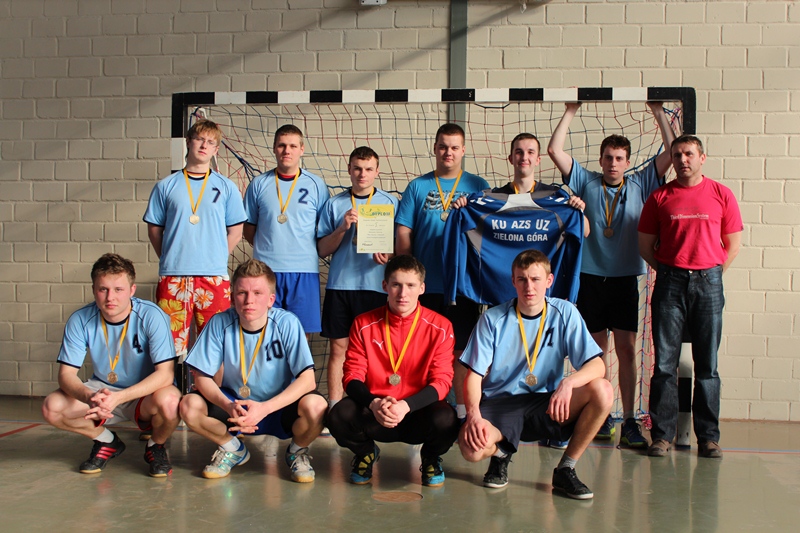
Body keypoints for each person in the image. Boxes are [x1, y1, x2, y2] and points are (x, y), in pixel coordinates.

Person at [548, 101, 676, 446]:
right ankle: (602, 417)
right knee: (596, 353)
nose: (613, 163)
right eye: (608, 157)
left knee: (627, 350)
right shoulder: (586, 181)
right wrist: (570, 110)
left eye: (619, 158)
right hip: (590, 279)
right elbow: (554, 150)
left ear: (628, 162)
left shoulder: (641, 182)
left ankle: (630, 419)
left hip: (623, 280)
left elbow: (671, 152)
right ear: (601, 159)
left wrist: (659, 114)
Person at [459, 250, 612, 499]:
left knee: (603, 390)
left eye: (535, 279)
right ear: (513, 281)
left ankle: (566, 469)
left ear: (549, 280)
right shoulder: (492, 319)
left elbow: (597, 366)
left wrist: (568, 383)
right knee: (471, 449)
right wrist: (473, 416)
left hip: (546, 403)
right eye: (522, 279)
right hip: (502, 402)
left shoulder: (565, 312)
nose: (529, 287)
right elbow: (473, 376)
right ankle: (500, 454)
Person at [638, 134, 742, 459]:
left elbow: (733, 244)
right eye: (677, 155)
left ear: (701, 158)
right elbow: (645, 245)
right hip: (669, 283)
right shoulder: (659, 197)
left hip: (709, 283)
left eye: (689, 154)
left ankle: (708, 438)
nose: (683, 160)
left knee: (707, 366)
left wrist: (709, 273)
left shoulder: (721, 194)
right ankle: (661, 437)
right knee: (664, 365)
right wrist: (673, 271)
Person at [179, 259, 328, 481]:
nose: (249, 300)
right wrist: (228, 406)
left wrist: (265, 408)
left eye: (257, 293)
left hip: (277, 406)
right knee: (189, 405)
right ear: (232, 298)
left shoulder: (287, 323)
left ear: (271, 299)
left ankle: (297, 451)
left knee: (317, 406)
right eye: (242, 293)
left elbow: (308, 381)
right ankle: (233, 449)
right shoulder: (219, 323)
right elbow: (202, 378)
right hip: (236, 407)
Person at [41, 253, 181, 477]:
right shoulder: (80, 319)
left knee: (172, 402)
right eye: (103, 289)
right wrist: (89, 396)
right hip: (102, 391)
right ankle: (107, 441)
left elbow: (165, 375)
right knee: (52, 407)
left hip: (144, 394)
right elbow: (66, 375)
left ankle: (156, 446)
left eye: (118, 289)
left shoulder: (152, 316)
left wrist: (119, 397)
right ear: (93, 289)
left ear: (132, 290)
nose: (110, 297)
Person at [327, 255, 460, 487]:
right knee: (338, 415)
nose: (403, 293)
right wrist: (373, 403)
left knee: (447, 419)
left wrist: (406, 405)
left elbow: (442, 382)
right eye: (396, 284)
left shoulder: (441, 326)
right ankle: (366, 453)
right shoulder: (363, 323)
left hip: (416, 411)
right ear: (384, 285)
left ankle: (430, 457)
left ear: (422, 288)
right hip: (376, 411)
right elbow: (351, 376)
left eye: (410, 285)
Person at [395, 123, 489, 415]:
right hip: (425, 286)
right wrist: (408, 277)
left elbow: (489, 234)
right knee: (421, 350)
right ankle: (420, 410)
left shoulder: (478, 185)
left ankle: (461, 411)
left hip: (462, 287)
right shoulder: (418, 186)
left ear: (463, 150)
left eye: (454, 147)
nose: (448, 152)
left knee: (461, 351)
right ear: (435, 148)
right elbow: (404, 233)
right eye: (443, 146)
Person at [144, 119, 247, 360]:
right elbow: (154, 230)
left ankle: (211, 387)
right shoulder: (166, 186)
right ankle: (170, 386)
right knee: (168, 348)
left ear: (216, 149)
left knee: (216, 347)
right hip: (174, 277)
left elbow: (236, 231)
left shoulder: (226, 187)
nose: (204, 145)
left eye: (210, 142)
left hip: (213, 277)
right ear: (189, 142)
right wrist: (170, 257)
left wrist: (217, 256)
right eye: (200, 139)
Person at [317, 146, 398, 405]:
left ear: (377, 171)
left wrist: (389, 254)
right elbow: (322, 249)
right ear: (349, 170)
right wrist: (342, 228)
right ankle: (334, 408)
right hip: (340, 286)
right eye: (357, 169)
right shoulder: (334, 204)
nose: (362, 174)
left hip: (376, 287)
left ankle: (377, 406)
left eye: (368, 169)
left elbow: (401, 246)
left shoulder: (390, 203)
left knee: (378, 351)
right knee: (338, 349)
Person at [243, 125, 329, 334]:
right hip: (265, 271)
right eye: (282, 145)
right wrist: (269, 247)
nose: (286, 151)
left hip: (304, 271)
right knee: (263, 332)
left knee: (300, 334)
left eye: (292, 146)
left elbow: (323, 230)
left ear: (302, 149)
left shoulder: (316, 185)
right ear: (274, 148)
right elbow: (249, 228)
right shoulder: (258, 184)